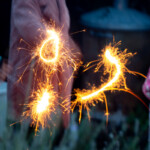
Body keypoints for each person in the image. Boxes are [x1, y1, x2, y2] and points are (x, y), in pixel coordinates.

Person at [8, 0, 81, 128]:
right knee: (27, 133)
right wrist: (52, 42)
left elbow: (60, 28)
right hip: (31, 78)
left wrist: (70, 49)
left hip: (58, 79)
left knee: (55, 131)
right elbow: (28, 24)